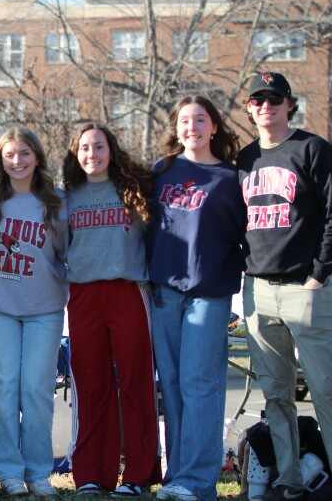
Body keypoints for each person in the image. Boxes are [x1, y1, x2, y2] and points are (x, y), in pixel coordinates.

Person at [237, 72, 332, 501]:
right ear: (249, 107)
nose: (266, 106)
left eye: (275, 98)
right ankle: (288, 480)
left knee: (326, 390)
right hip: (258, 290)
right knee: (276, 394)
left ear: (289, 104)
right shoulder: (245, 160)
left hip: (305, 289)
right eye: (259, 99)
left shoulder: (313, 149)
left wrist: (318, 275)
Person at [146, 96, 245, 501]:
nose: (192, 127)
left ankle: (198, 482)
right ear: (177, 127)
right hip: (164, 291)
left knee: (200, 384)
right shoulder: (161, 172)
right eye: (185, 120)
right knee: (171, 385)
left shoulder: (230, 178)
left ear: (214, 127)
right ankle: (177, 478)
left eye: (200, 119)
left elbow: (246, 237)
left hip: (208, 293)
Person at [61, 122, 158, 498]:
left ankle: (138, 474)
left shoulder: (134, 191)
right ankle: (91, 474)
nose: (91, 154)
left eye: (98, 147)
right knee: (90, 385)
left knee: (136, 385)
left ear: (111, 151)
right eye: (84, 148)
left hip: (128, 291)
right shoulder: (66, 196)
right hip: (84, 296)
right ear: (75, 154)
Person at [0, 126, 68, 498]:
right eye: (9, 155)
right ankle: (9, 471)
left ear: (37, 157)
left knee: (36, 390)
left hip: (44, 308)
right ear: (1, 160)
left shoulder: (56, 203)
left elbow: (68, 253)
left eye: (24, 154)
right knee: (3, 389)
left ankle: (38, 471)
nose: (17, 161)